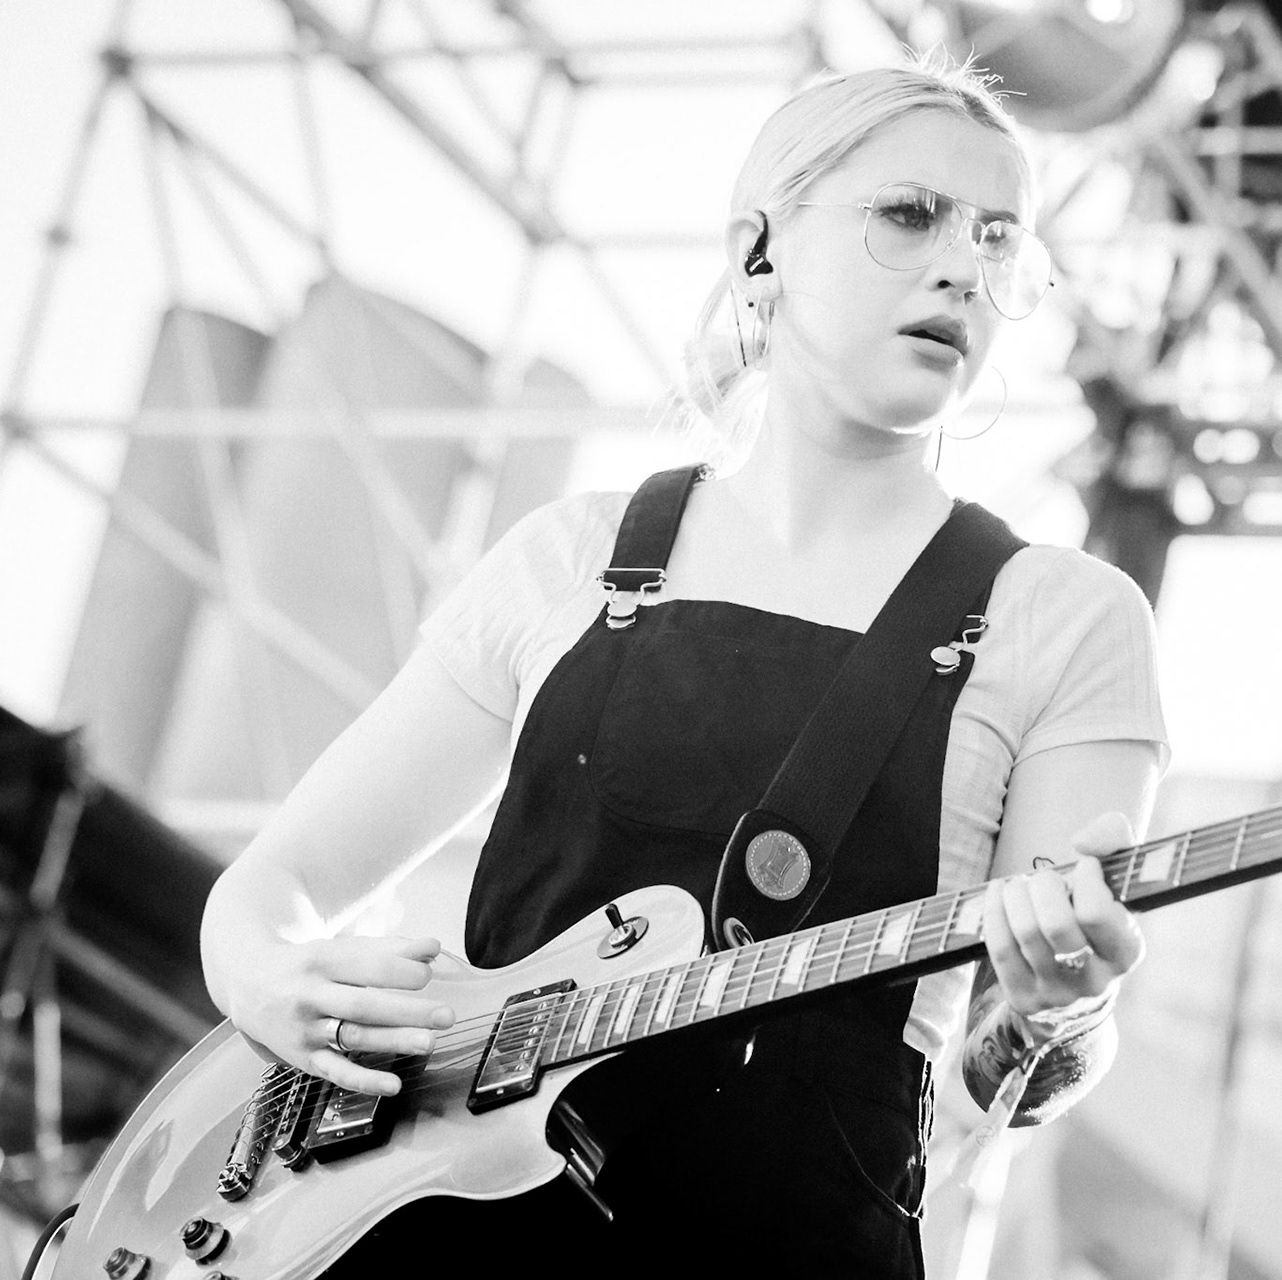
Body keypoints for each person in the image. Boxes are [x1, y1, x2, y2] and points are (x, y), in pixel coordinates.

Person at [199, 55, 1167, 1277]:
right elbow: (272, 885)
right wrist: (277, 985)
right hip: (433, 1234)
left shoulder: (1068, 617)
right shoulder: (572, 557)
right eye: (909, 215)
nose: (963, 268)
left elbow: (1016, 1072)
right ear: (759, 248)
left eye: (999, 240)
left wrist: (1058, 1006)